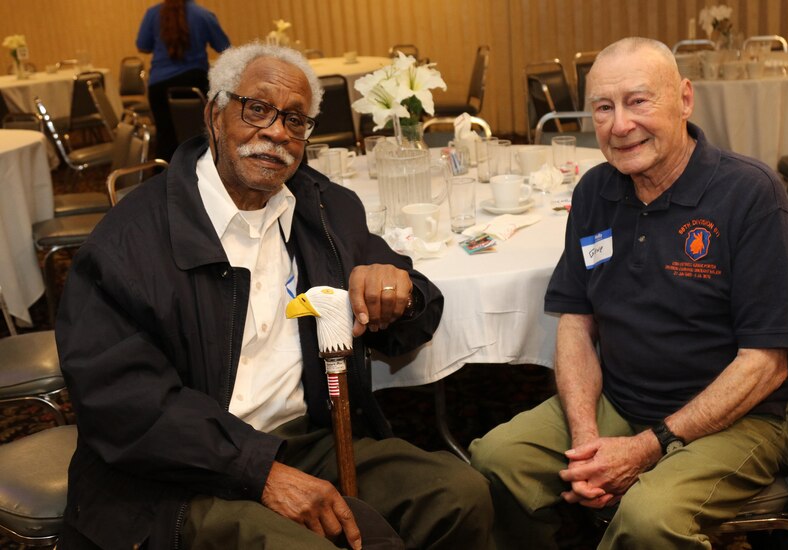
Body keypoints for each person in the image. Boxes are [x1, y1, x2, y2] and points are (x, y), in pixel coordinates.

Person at [56, 42, 493, 549]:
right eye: (257, 109)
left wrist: (402, 293)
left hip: (309, 440)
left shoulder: (325, 207)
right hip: (178, 474)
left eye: (295, 119)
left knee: (460, 493)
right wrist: (258, 472)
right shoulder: (127, 244)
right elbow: (123, 404)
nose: (276, 133)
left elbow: (414, 308)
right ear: (215, 115)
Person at [470, 37, 788, 549]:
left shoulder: (751, 195)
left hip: (745, 417)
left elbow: (766, 363)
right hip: (625, 400)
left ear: (685, 100)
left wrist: (647, 447)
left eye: (638, 101)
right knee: (498, 460)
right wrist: (587, 440)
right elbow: (576, 322)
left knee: (648, 518)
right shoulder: (594, 191)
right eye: (603, 108)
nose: (620, 125)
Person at [136, 0, 230, 161]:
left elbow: (142, 46)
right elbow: (224, 47)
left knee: (165, 135)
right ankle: (204, 171)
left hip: (159, 86)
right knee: (200, 132)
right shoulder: (203, 15)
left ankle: (165, 176)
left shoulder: (152, 14)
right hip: (193, 83)